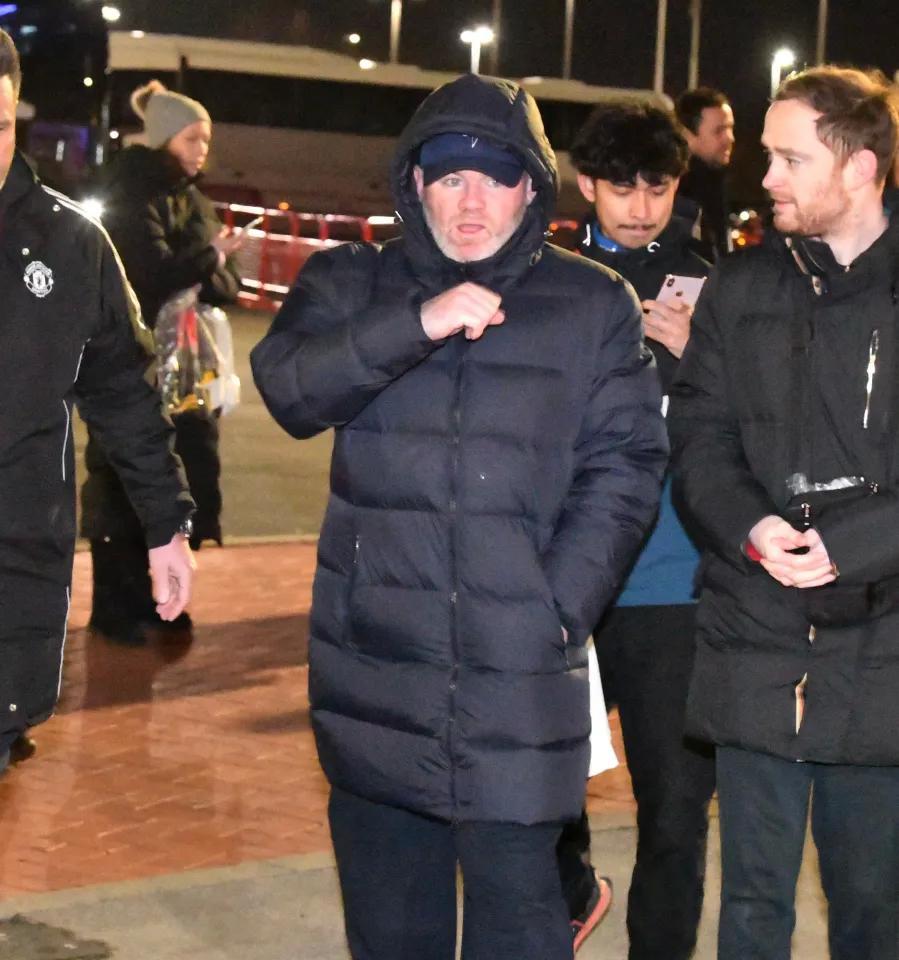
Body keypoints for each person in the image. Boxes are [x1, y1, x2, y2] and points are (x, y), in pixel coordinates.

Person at [251, 73, 668, 960]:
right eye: (448, 177)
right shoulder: (351, 281)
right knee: (392, 935)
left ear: (530, 188)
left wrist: (556, 608)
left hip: (516, 682)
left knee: (520, 929)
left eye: (494, 177)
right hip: (376, 679)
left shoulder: (592, 303)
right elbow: (290, 389)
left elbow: (627, 465)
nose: (470, 200)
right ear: (415, 183)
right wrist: (418, 322)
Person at [670, 66, 899, 960]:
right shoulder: (739, 286)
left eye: (789, 159)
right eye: (765, 155)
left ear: (859, 167)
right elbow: (698, 437)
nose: (764, 178)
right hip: (755, 634)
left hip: (882, 650)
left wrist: (850, 547)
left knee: (872, 909)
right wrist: (752, 529)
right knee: (751, 907)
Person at [0, 30, 195, 774]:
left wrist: (165, 524)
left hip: (12, 568)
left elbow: (125, 394)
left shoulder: (71, 243)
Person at [558, 101, 715, 959]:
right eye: (622, 188)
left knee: (676, 807)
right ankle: (570, 896)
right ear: (587, 184)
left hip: (671, 585)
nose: (641, 207)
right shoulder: (546, 278)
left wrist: (698, 362)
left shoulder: (711, 285)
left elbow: (752, 425)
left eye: (657, 187)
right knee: (540, 793)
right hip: (565, 583)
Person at [80, 80, 241, 645]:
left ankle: (159, 598)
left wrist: (207, 264)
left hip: (187, 364)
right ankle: (115, 605)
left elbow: (225, 283)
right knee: (123, 473)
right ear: (166, 137)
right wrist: (207, 258)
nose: (203, 149)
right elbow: (148, 274)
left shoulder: (192, 199)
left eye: (207, 139)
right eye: (193, 138)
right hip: (127, 358)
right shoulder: (133, 190)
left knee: (183, 470)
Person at [675, 87, 735, 261]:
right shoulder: (679, 191)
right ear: (688, 135)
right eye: (719, 130)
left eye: (730, 128)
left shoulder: (712, 181)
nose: (730, 138)